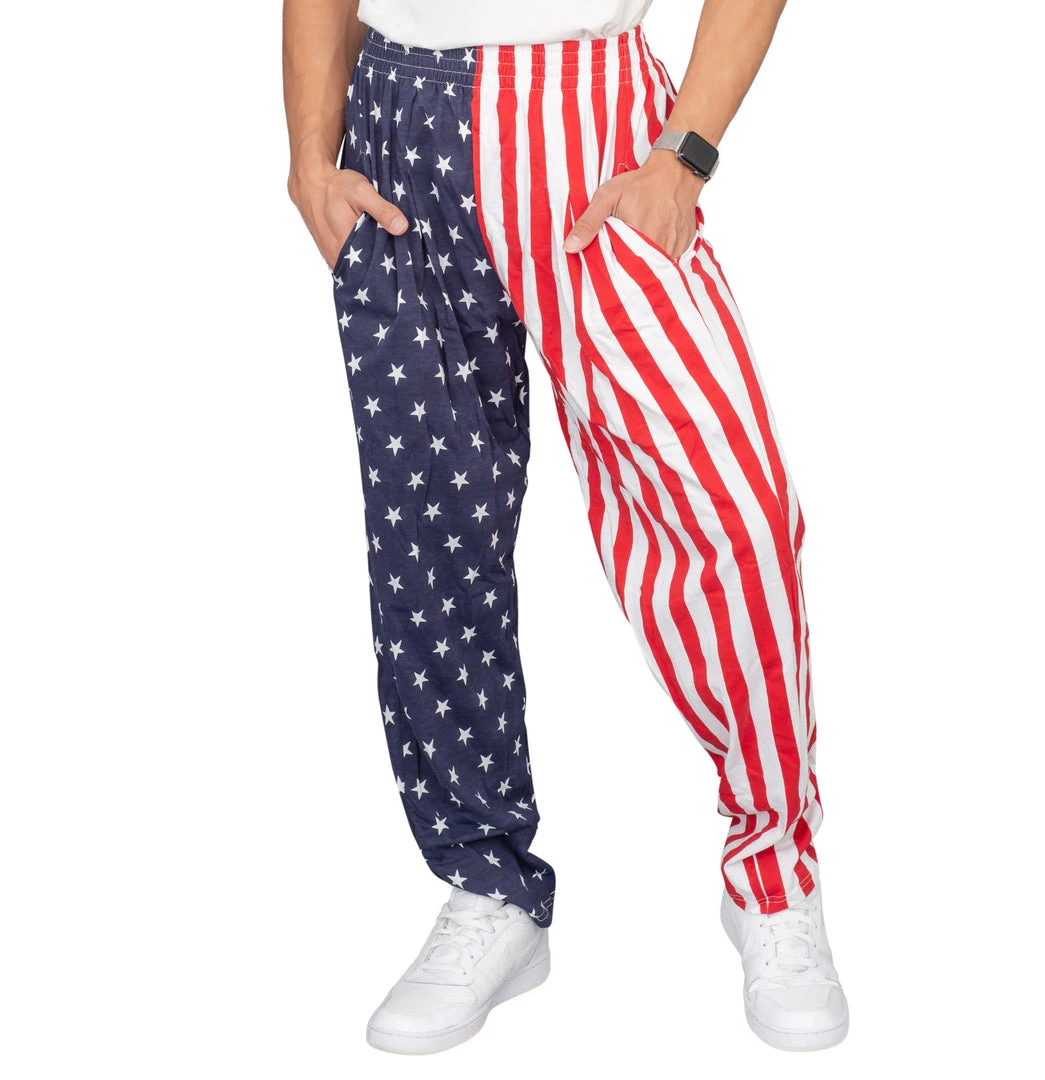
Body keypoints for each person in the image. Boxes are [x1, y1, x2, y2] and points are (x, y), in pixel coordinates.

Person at [282, 0, 849, 1054]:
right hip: (401, 126)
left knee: (734, 510)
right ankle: (487, 883)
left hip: (590, 125)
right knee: (431, 535)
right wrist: (310, 158)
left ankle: (774, 874)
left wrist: (685, 153)